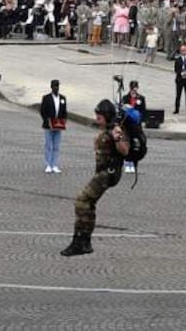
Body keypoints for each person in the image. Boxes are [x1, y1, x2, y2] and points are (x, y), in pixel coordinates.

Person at [61, 100, 130, 257]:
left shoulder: (117, 129)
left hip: (108, 174)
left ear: (106, 116)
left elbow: (125, 151)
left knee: (81, 201)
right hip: (102, 173)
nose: (97, 119)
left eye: (99, 117)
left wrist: (117, 138)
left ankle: (79, 241)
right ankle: (84, 242)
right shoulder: (108, 128)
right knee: (88, 203)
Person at [41, 79, 67, 173]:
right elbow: (43, 111)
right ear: (51, 87)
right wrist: (47, 121)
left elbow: (64, 112)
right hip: (49, 125)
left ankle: (54, 164)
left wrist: (64, 121)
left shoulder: (63, 98)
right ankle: (48, 164)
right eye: (55, 86)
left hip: (58, 125)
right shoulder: (46, 98)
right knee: (49, 145)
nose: (56, 88)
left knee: (56, 146)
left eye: (58, 86)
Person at [120, 81, 146, 173]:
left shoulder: (141, 98)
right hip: (127, 125)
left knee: (137, 144)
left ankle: (134, 165)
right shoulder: (125, 98)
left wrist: (141, 119)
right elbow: (121, 110)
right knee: (128, 143)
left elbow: (143, 111)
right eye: (133, 88)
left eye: (136, 88)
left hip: (137, 125)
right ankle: (127, 163)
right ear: (130, 88)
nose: (135, 90)